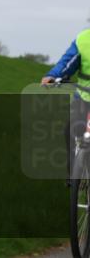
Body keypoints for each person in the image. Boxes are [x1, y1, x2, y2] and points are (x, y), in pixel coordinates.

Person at [41, 28, 90, 180]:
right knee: (71, 131)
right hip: (84, 97)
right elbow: (67, 62)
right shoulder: (83, 39)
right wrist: (53, 76)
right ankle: (73, 175)